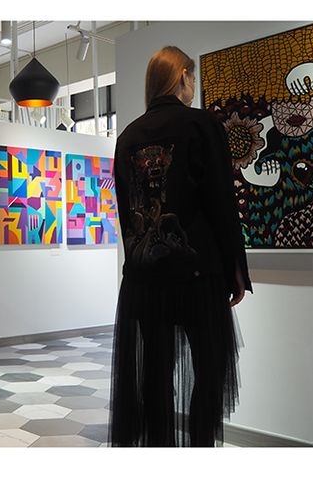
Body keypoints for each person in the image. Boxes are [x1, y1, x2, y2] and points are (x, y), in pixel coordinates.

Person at [109, 46, 252, 447]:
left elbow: (127, 211)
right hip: (197, 274)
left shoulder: (128, 137)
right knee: (210, 369)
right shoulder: (201, 125)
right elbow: (222, 203)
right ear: (184, 76)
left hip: (144, 280)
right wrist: (236, 270)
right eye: (192, 79)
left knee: (154, 375)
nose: (193, 87)